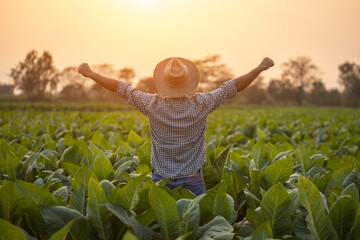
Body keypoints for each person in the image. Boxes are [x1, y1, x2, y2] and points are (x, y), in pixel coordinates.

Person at [78, 57, 274, 195]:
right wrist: (259, 68)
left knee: (164, 227)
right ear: (188, 82)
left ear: (164, 83)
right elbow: (233, 87)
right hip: (192, 179)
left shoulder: (152, 105)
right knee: (193, 230)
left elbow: (121, 87)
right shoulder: (202, 104)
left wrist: (91, 73)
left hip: (160, 179)